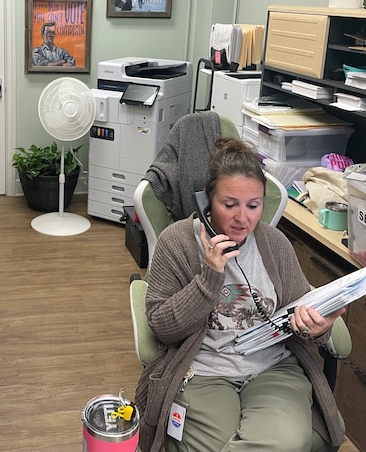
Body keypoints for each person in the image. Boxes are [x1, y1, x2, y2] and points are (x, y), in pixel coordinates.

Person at [135, 138, 346, 452]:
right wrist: (209, 276)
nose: (243, 218)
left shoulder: (275, 244)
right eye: (229, 204)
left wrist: (316, 328)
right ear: (207, 201)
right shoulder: (176, 242)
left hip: (272, 368)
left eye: (253, 206)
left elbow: (301, 309)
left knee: (287, 443)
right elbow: (163, 328)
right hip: (204, 370)